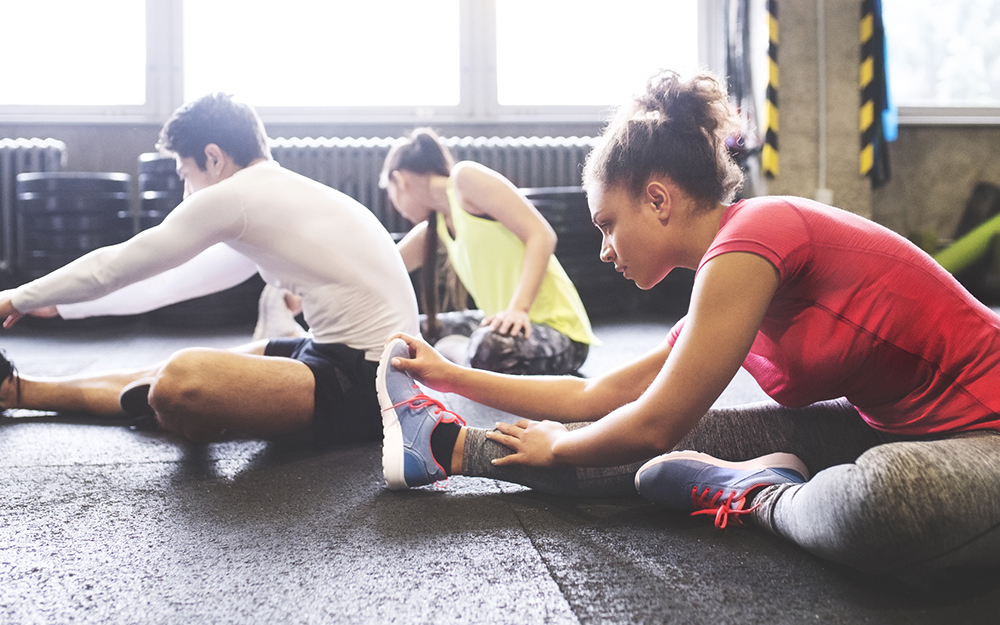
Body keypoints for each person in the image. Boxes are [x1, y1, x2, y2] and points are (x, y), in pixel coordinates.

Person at [374, 70, 1000, 578]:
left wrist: (560, 444)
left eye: (607, 224)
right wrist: (451, 378)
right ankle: (446, 448)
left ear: (657, 199)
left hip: (986, 432)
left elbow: (654, 424)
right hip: (887, 426)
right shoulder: (728, 285)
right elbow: (595, 397)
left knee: (888, 503)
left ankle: (762, 495)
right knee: (620, 442)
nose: (604, 250)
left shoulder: (758, 234)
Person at [0, 92, 418, 445]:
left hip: (372, 385)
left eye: (185, 172)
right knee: (165, 371)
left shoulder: (237, 196)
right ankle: (17, 391)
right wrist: (62, 306)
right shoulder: (268, 199)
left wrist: (15, 297)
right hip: (335, 357)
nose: (186, 191)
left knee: (180, 378)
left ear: (213, 158)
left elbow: (118, 262)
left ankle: (207, 410)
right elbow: (167, 284)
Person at [379, 128, 599, 375]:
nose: (396, 207)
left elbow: (542, 235)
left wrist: (519, 309)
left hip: (556, 332)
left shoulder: (465, 179)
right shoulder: (435, 226)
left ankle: (461, 359)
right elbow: (383, 268)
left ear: (400, 180)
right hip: (500, 324)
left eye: (390, 193)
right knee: (406, 335)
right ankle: (462, 357)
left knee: (490, 348)